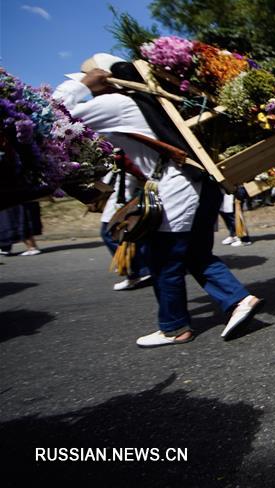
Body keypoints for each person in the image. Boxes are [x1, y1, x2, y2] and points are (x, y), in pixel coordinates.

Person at [54, 55, 263, 347]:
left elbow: (57, 117)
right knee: (194, 254)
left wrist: (83, 86)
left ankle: (174, 327)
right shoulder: (150, 100)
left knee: (163, 258)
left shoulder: (119, 103)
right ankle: (239, 300)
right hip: (202, 183)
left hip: (178, 187)